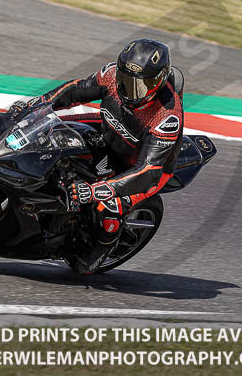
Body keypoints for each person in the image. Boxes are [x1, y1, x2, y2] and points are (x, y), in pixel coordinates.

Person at [10, 39, 184, 273]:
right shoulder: (110, 75)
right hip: (110, 133)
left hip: (143, 169)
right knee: (50, 131)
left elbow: (148, 172)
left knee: (108, 207)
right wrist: (36, 104)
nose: (128, 90)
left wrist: (94, 191)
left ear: (158, 82)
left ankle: (97, 254)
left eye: (139, 86)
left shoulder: (167, 117)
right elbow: (74, 90)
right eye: (125, 80)